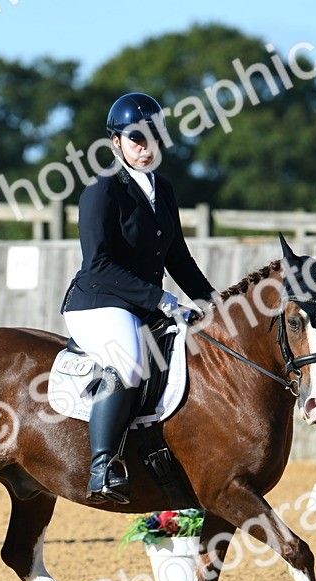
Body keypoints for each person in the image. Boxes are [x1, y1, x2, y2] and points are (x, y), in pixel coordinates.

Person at [61, 91, 217, 504]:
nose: (147, 149)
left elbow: (178, 257)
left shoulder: (162, 189)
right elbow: (98, 264)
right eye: (137, 140)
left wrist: (214, 303)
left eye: (153, 139)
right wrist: (162, 300)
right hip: (98, 302)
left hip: (143, 303)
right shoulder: (102, 191)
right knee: (129, 362)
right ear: (116, 142)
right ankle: (102, 468)